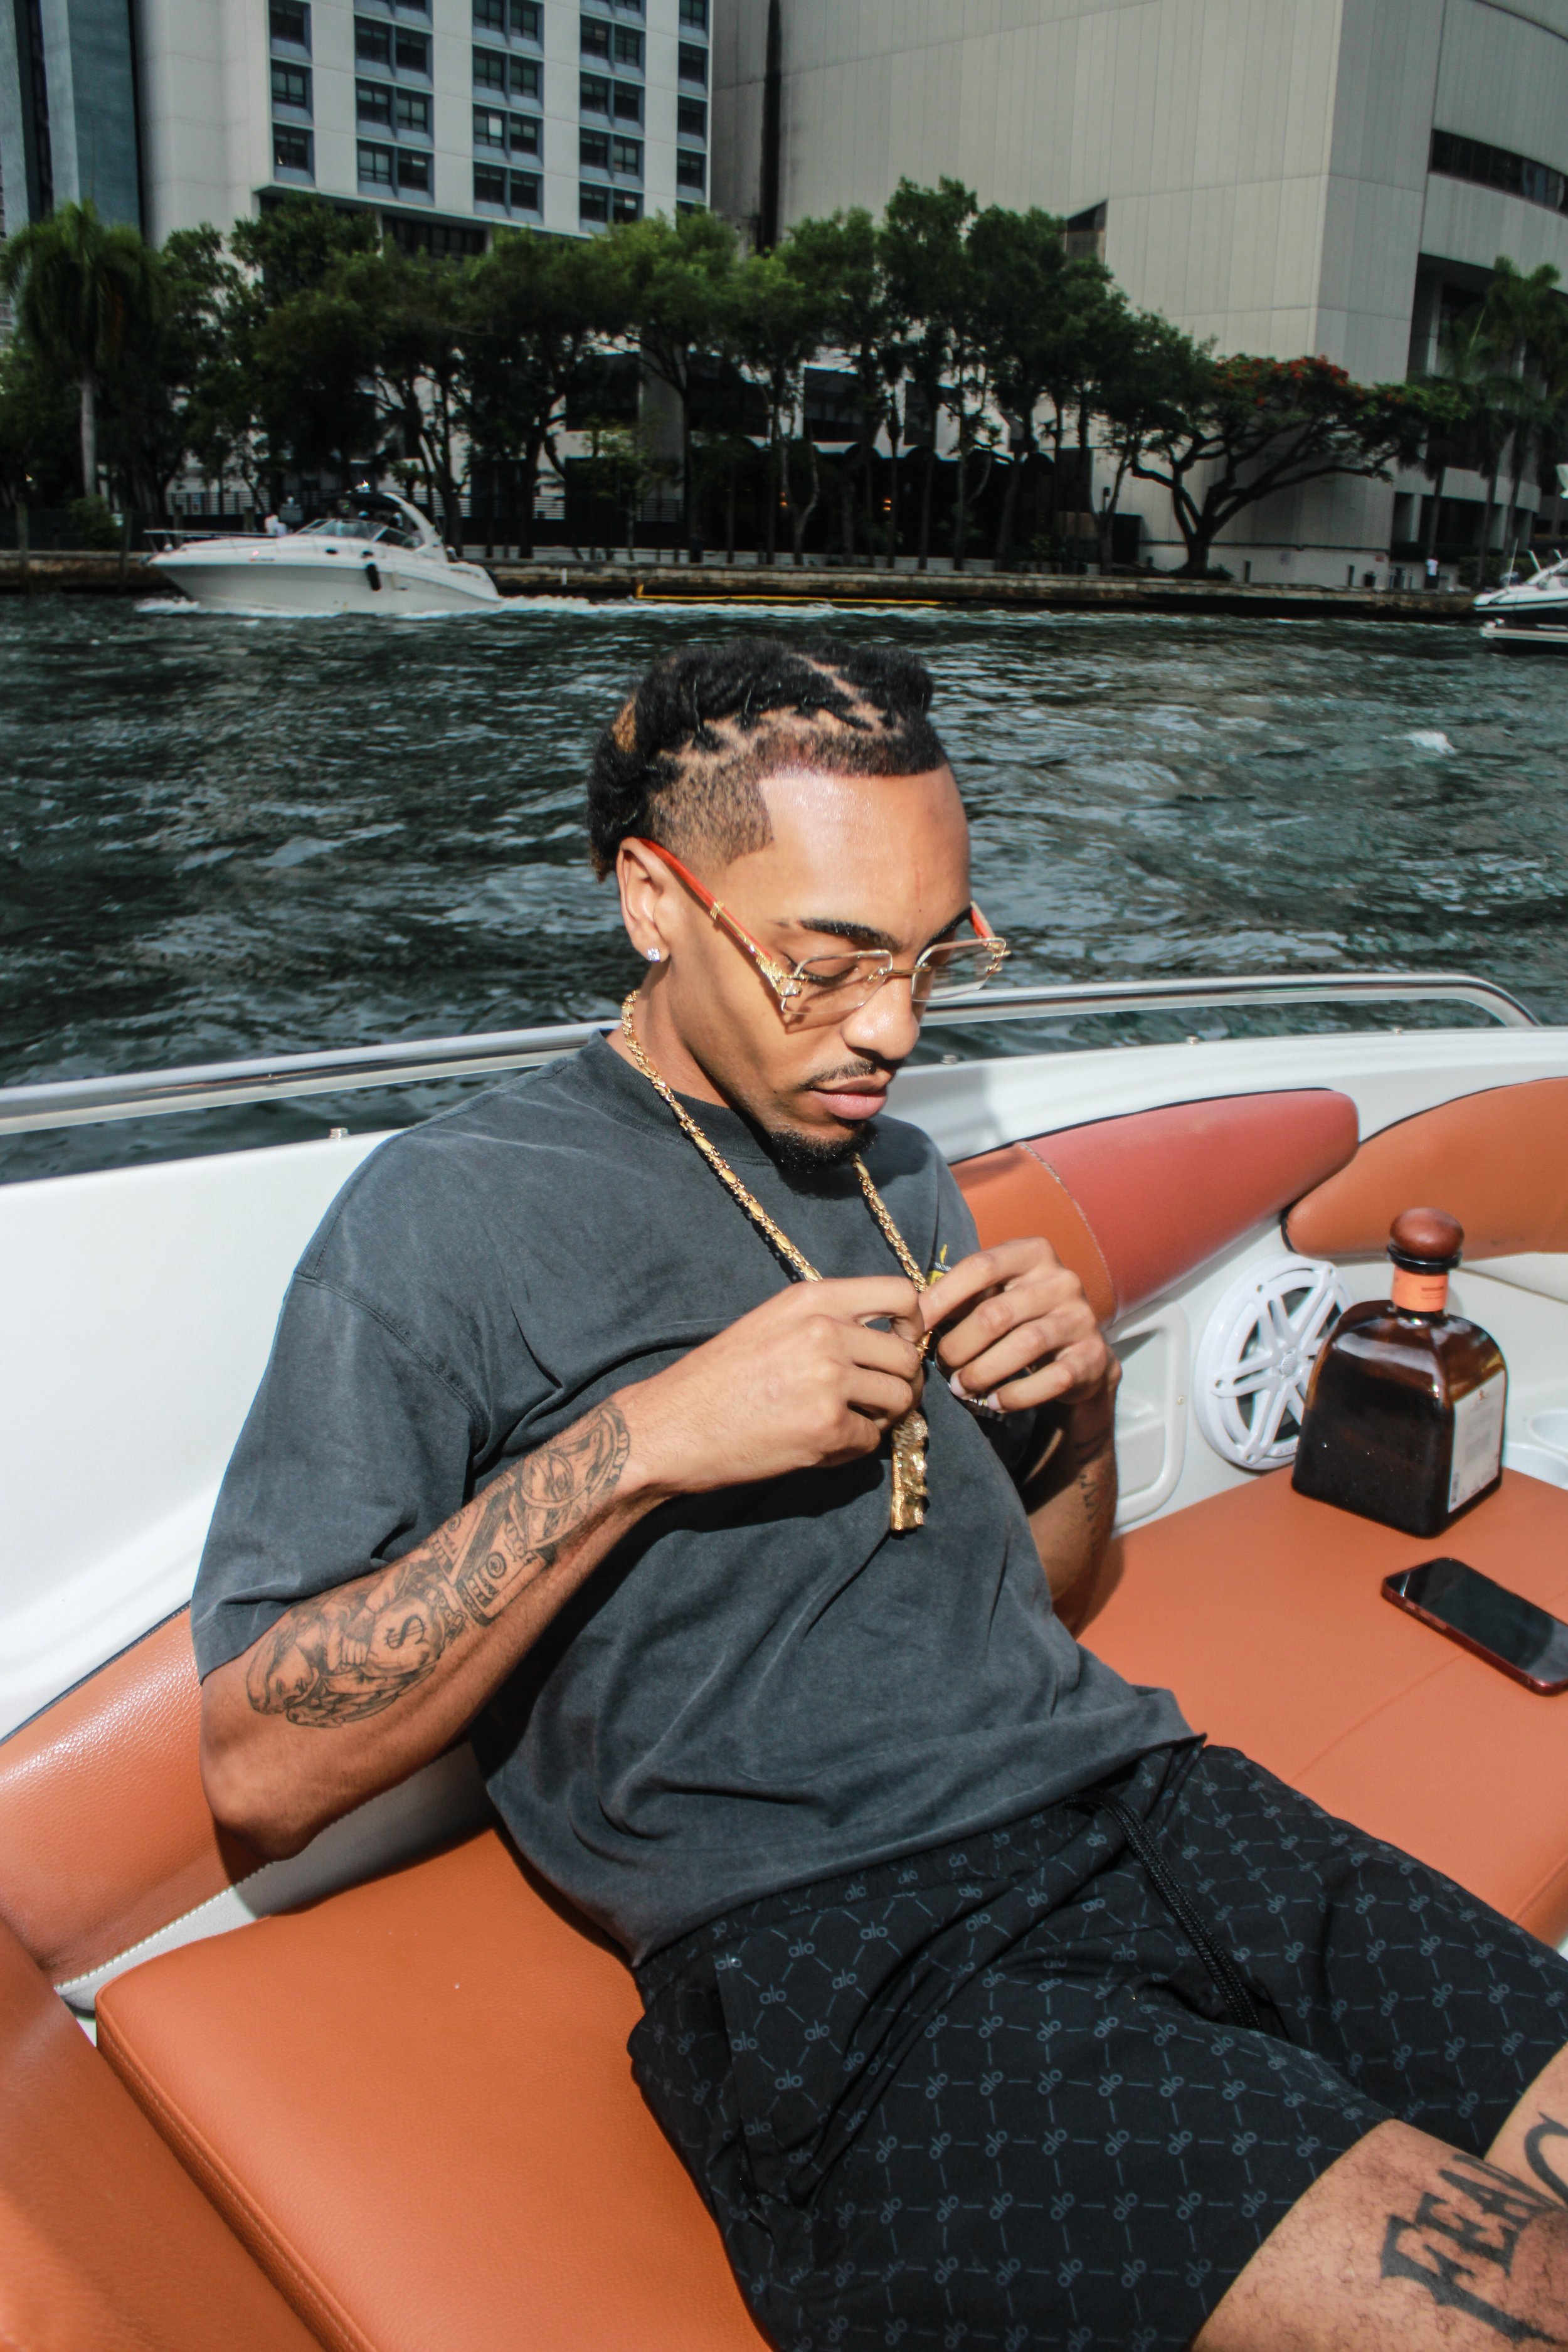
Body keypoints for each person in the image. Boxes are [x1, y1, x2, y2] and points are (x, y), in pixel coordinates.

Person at [193, 638, 1568, 2351]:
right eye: (828, 962)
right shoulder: (442, 1217)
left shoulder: (902, 1170)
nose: (892, 1029)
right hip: (851, 1960)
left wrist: (1071, 1408)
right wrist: (640, 1445)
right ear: (650, 898)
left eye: (934, 958)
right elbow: (258, 1767)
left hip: (1163, 1799)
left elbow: (1043, 1599)